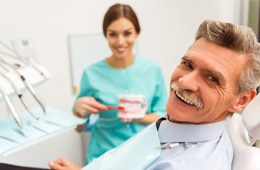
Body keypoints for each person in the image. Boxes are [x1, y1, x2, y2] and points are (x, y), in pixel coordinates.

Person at [49, 20, 260, 170]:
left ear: (241, 100)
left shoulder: (189, 162)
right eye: (187, 64)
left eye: (212, 78)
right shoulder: (177, 123)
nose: (184, 81)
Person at [72, 3, 168, 164]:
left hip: (144, 155)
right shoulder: (91, 73)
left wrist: (139, 116)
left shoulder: (152, 69)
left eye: (127, 33)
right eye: (113, 34)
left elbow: (165, 117)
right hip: (103, 156)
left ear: (137, 33)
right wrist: (77, 111)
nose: (120, 41)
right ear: (106, 35)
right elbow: (79, 126)